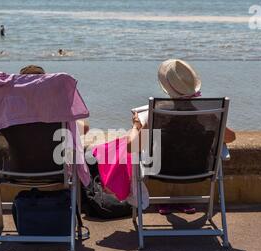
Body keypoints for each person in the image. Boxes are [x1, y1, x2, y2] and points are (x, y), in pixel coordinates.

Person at [91, 59, 236, 214]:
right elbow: (231, 138)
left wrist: (136, 126)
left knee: (124, 145)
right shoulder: (208, 113)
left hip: (159, 171)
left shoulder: (154, 114)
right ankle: (178, 201)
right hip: (201, 170)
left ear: (167, 88)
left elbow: (131, 147)